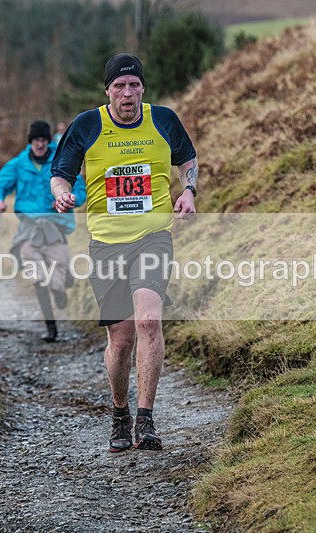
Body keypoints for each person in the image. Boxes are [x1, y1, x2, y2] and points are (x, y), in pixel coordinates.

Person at [50, 53, 198, 452]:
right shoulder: (87, 125)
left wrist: (188, 190)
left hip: (153, 237)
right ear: (108, 91)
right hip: (106, 244)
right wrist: (63, 195)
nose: (128, 93)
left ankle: (146, 419)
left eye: (134, 85)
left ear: (143, 89)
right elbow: (60, 173)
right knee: (122, 337)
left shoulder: (163, 120)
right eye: (120, 86)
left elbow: (187, 159)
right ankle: (120, 413)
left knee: (149, 320)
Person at [0, 120, 86, 342]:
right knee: (38, 277)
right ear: (30, 142)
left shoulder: (62, 162)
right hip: (29, 229)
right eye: (36, 141)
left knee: (58, 278)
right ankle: (50, 327)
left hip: (56, 227)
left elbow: (80, 189)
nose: (40, 144)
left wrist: (70, 198)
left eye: (43, 140)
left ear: (48, 141)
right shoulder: (18, 164)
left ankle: (60, 289)